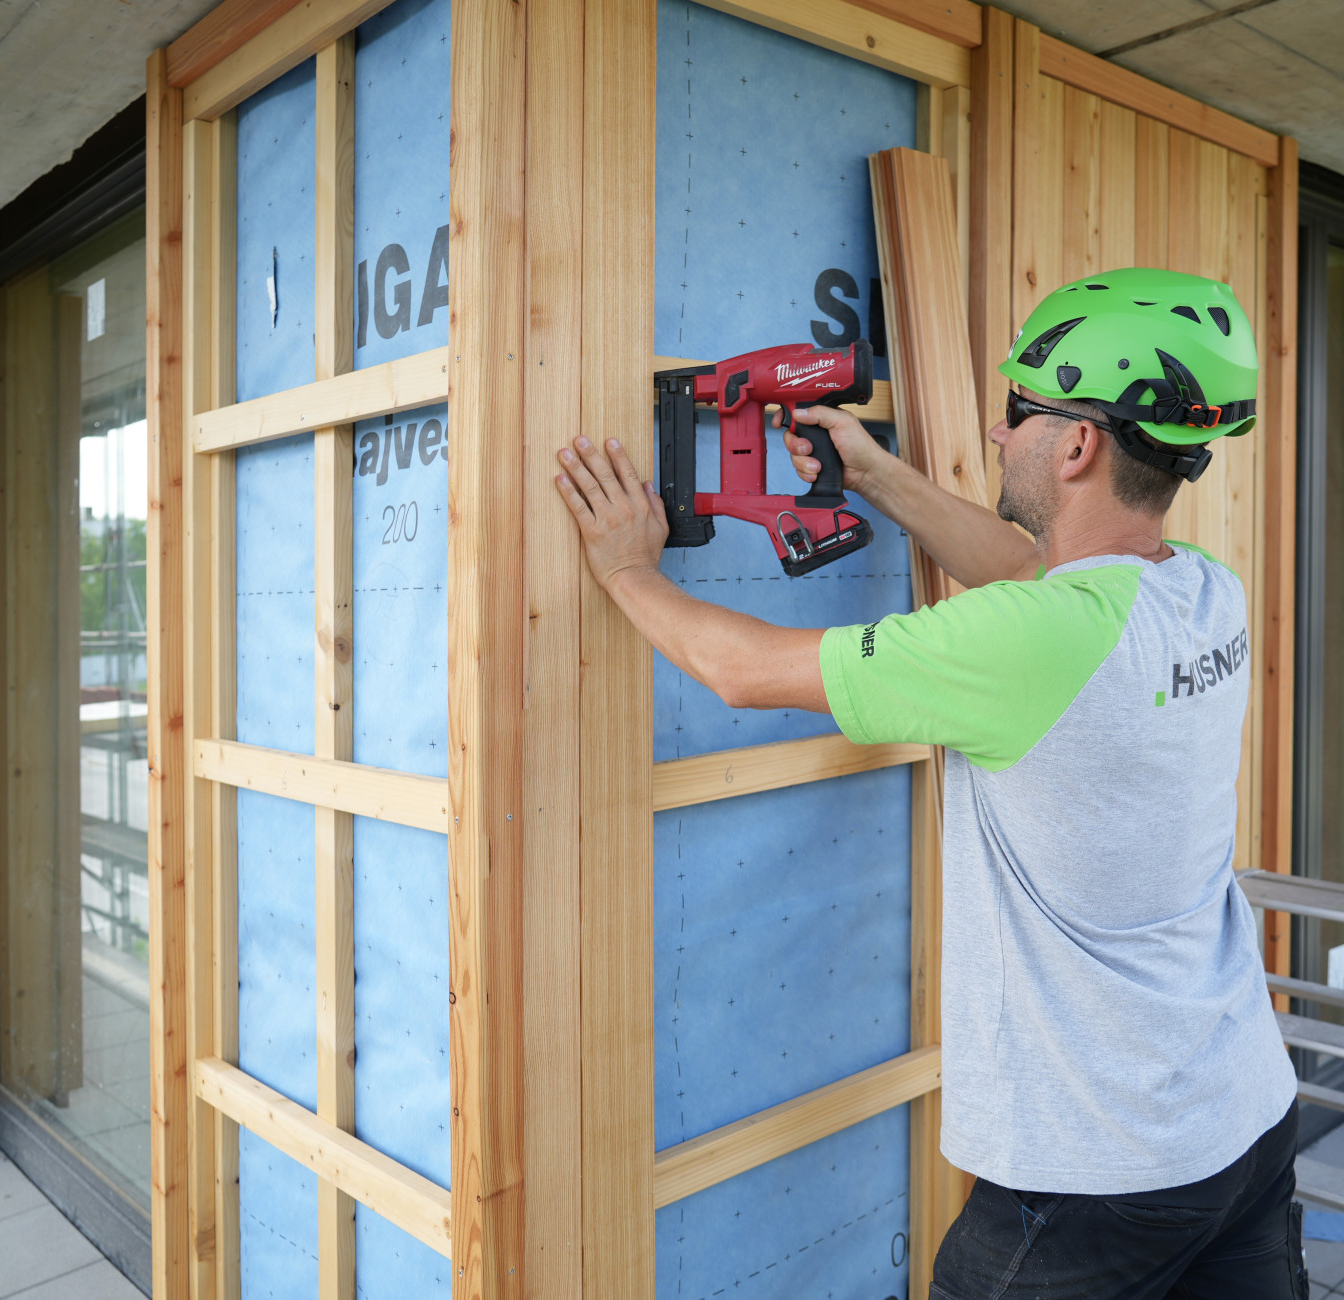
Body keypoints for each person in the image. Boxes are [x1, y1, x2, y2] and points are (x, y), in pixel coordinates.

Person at [553, 268, 1304, 1299]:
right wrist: (872, 473)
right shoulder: (1201, 589)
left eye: (1016, 414)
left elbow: (745, 670)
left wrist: (628, 569)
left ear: (1078, 444)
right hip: (1242, 1117)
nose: (999, 436)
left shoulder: (1032, 641)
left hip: (1095, 1164)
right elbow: (1023, 571)